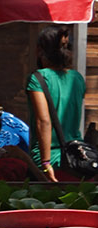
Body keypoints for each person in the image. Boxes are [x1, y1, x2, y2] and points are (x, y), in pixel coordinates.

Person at [26, 24, 85, 181]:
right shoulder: (77, 78)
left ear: (39, 50)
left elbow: (43, 121)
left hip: (50, 159)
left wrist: (46, 163)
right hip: (77, 159)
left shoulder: (38, 78)